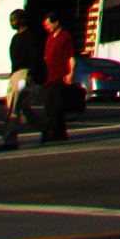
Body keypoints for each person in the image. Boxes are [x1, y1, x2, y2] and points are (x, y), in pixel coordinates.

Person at [0, 10, 41, 152]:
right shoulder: (15, 38)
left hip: (24, 74)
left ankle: (10, 141)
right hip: (15, 74)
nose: (12, 23)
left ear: (21, 20)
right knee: (22, 108)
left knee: (13, 107)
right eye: (11, 20)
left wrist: (31, 74)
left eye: (14, 20)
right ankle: (46, 127)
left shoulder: (30, 35)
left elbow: (36, 56)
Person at [40, 12, 76, 143]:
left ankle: (55, 133)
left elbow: (71, 57)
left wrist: (71, 73)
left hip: (60, 76)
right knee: (52, 107)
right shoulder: (50, 38)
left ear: (56, 22)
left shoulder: (65, 36)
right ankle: (61, 133)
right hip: (50, 76)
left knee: (53, 107)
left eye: (48, 24)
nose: (47, 27)